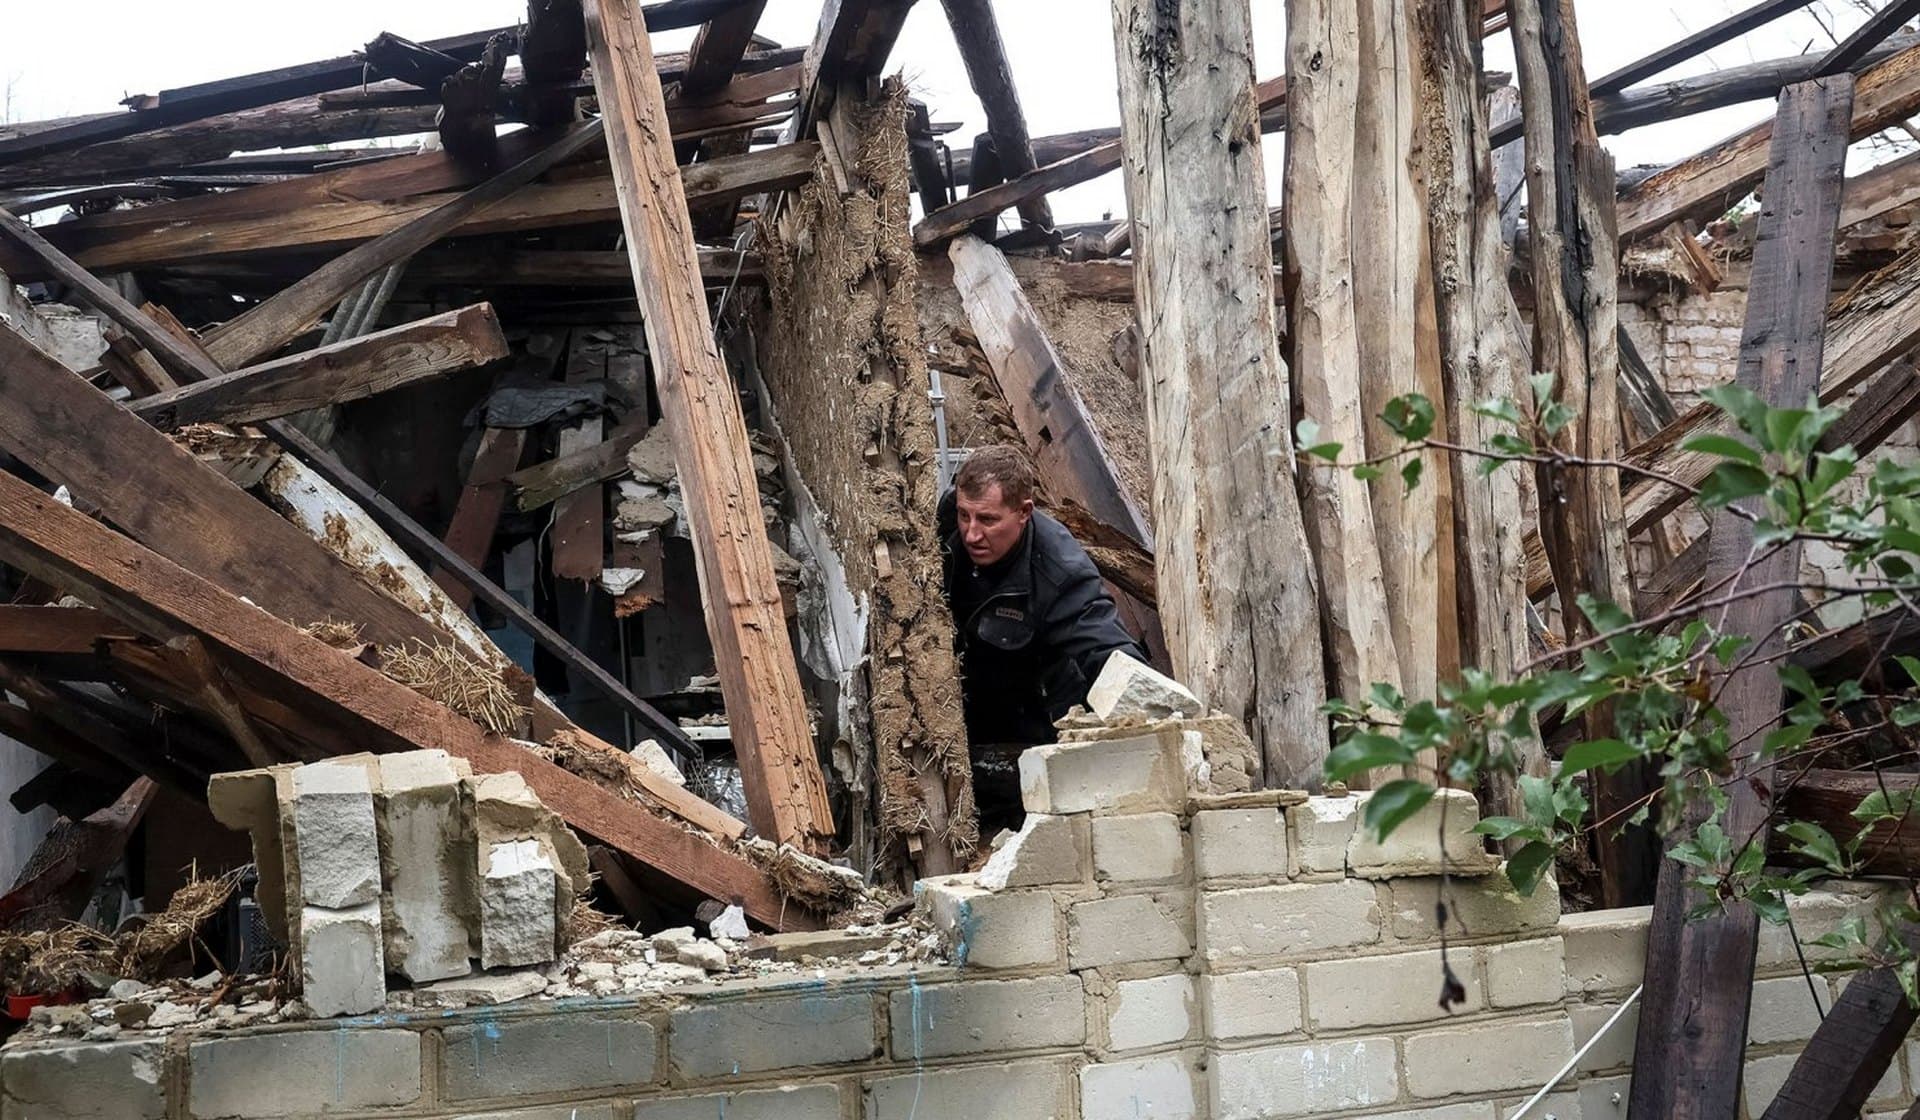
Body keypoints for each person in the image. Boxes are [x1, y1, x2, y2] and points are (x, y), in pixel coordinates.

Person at [938, 446, 1148, 831]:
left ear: (1024, 512)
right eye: (964, 516)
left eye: (987, 520)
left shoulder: (1061, 571)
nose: (971, 533)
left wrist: (1151, 710)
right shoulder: (946, 519)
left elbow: (1106, 648)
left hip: (1034, 715)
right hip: (968, 703)